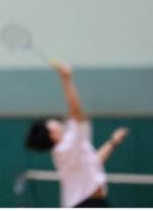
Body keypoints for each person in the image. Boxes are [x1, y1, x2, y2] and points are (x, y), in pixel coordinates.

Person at [25, 62, 130, 207]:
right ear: (51, 135)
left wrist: (113, 141)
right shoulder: (64, 149)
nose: (56, 122)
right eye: (52, 123)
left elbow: (94, 161)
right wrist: (66, 79)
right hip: (83, 205)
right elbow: (77, 112)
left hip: (98, 203)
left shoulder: (71, 146)